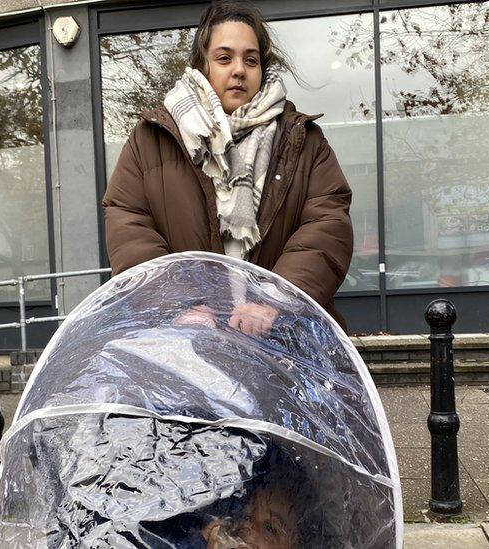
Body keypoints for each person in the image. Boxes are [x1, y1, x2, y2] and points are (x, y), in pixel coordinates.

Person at [102, 0, 354, 334]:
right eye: (224, 58)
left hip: (282, 343)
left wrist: (274, 301)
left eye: (251, 59)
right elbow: (128, 224)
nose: (239, 69)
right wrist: (181, 303)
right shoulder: (151, 138)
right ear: (202, 65)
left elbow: (327, 225)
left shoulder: (303, 140)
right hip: (184, 342)